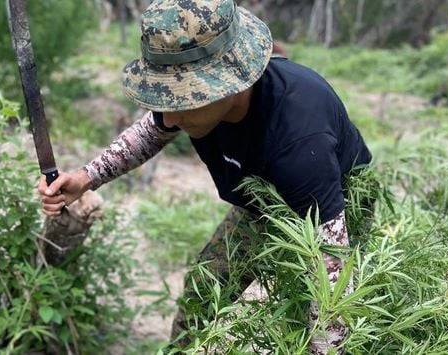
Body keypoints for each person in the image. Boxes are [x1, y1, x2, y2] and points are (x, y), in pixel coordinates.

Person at [39, 0, 372, 353]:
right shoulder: (192, 110)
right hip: (261, 203)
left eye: (181, 98)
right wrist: (87, 177)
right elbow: (152, 131)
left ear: (230, 83)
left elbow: (332, 277)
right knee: (205, 285)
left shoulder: (299, 137)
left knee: (299, 317)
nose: (167, 115)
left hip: (334, 213)